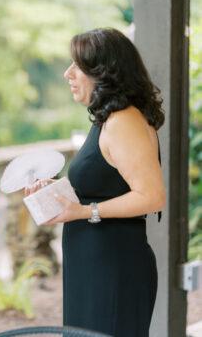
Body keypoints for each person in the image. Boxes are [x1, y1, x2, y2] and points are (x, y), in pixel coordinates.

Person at [26, 28, 166, 337]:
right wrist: (58, 194)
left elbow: (152, 196)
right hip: (93, 265)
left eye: (77, 66)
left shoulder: (124, 121)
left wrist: (83, 212)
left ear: (103, 72)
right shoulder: (108, 120)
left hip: (114, 268)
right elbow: (108, 184)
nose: (68, 74)